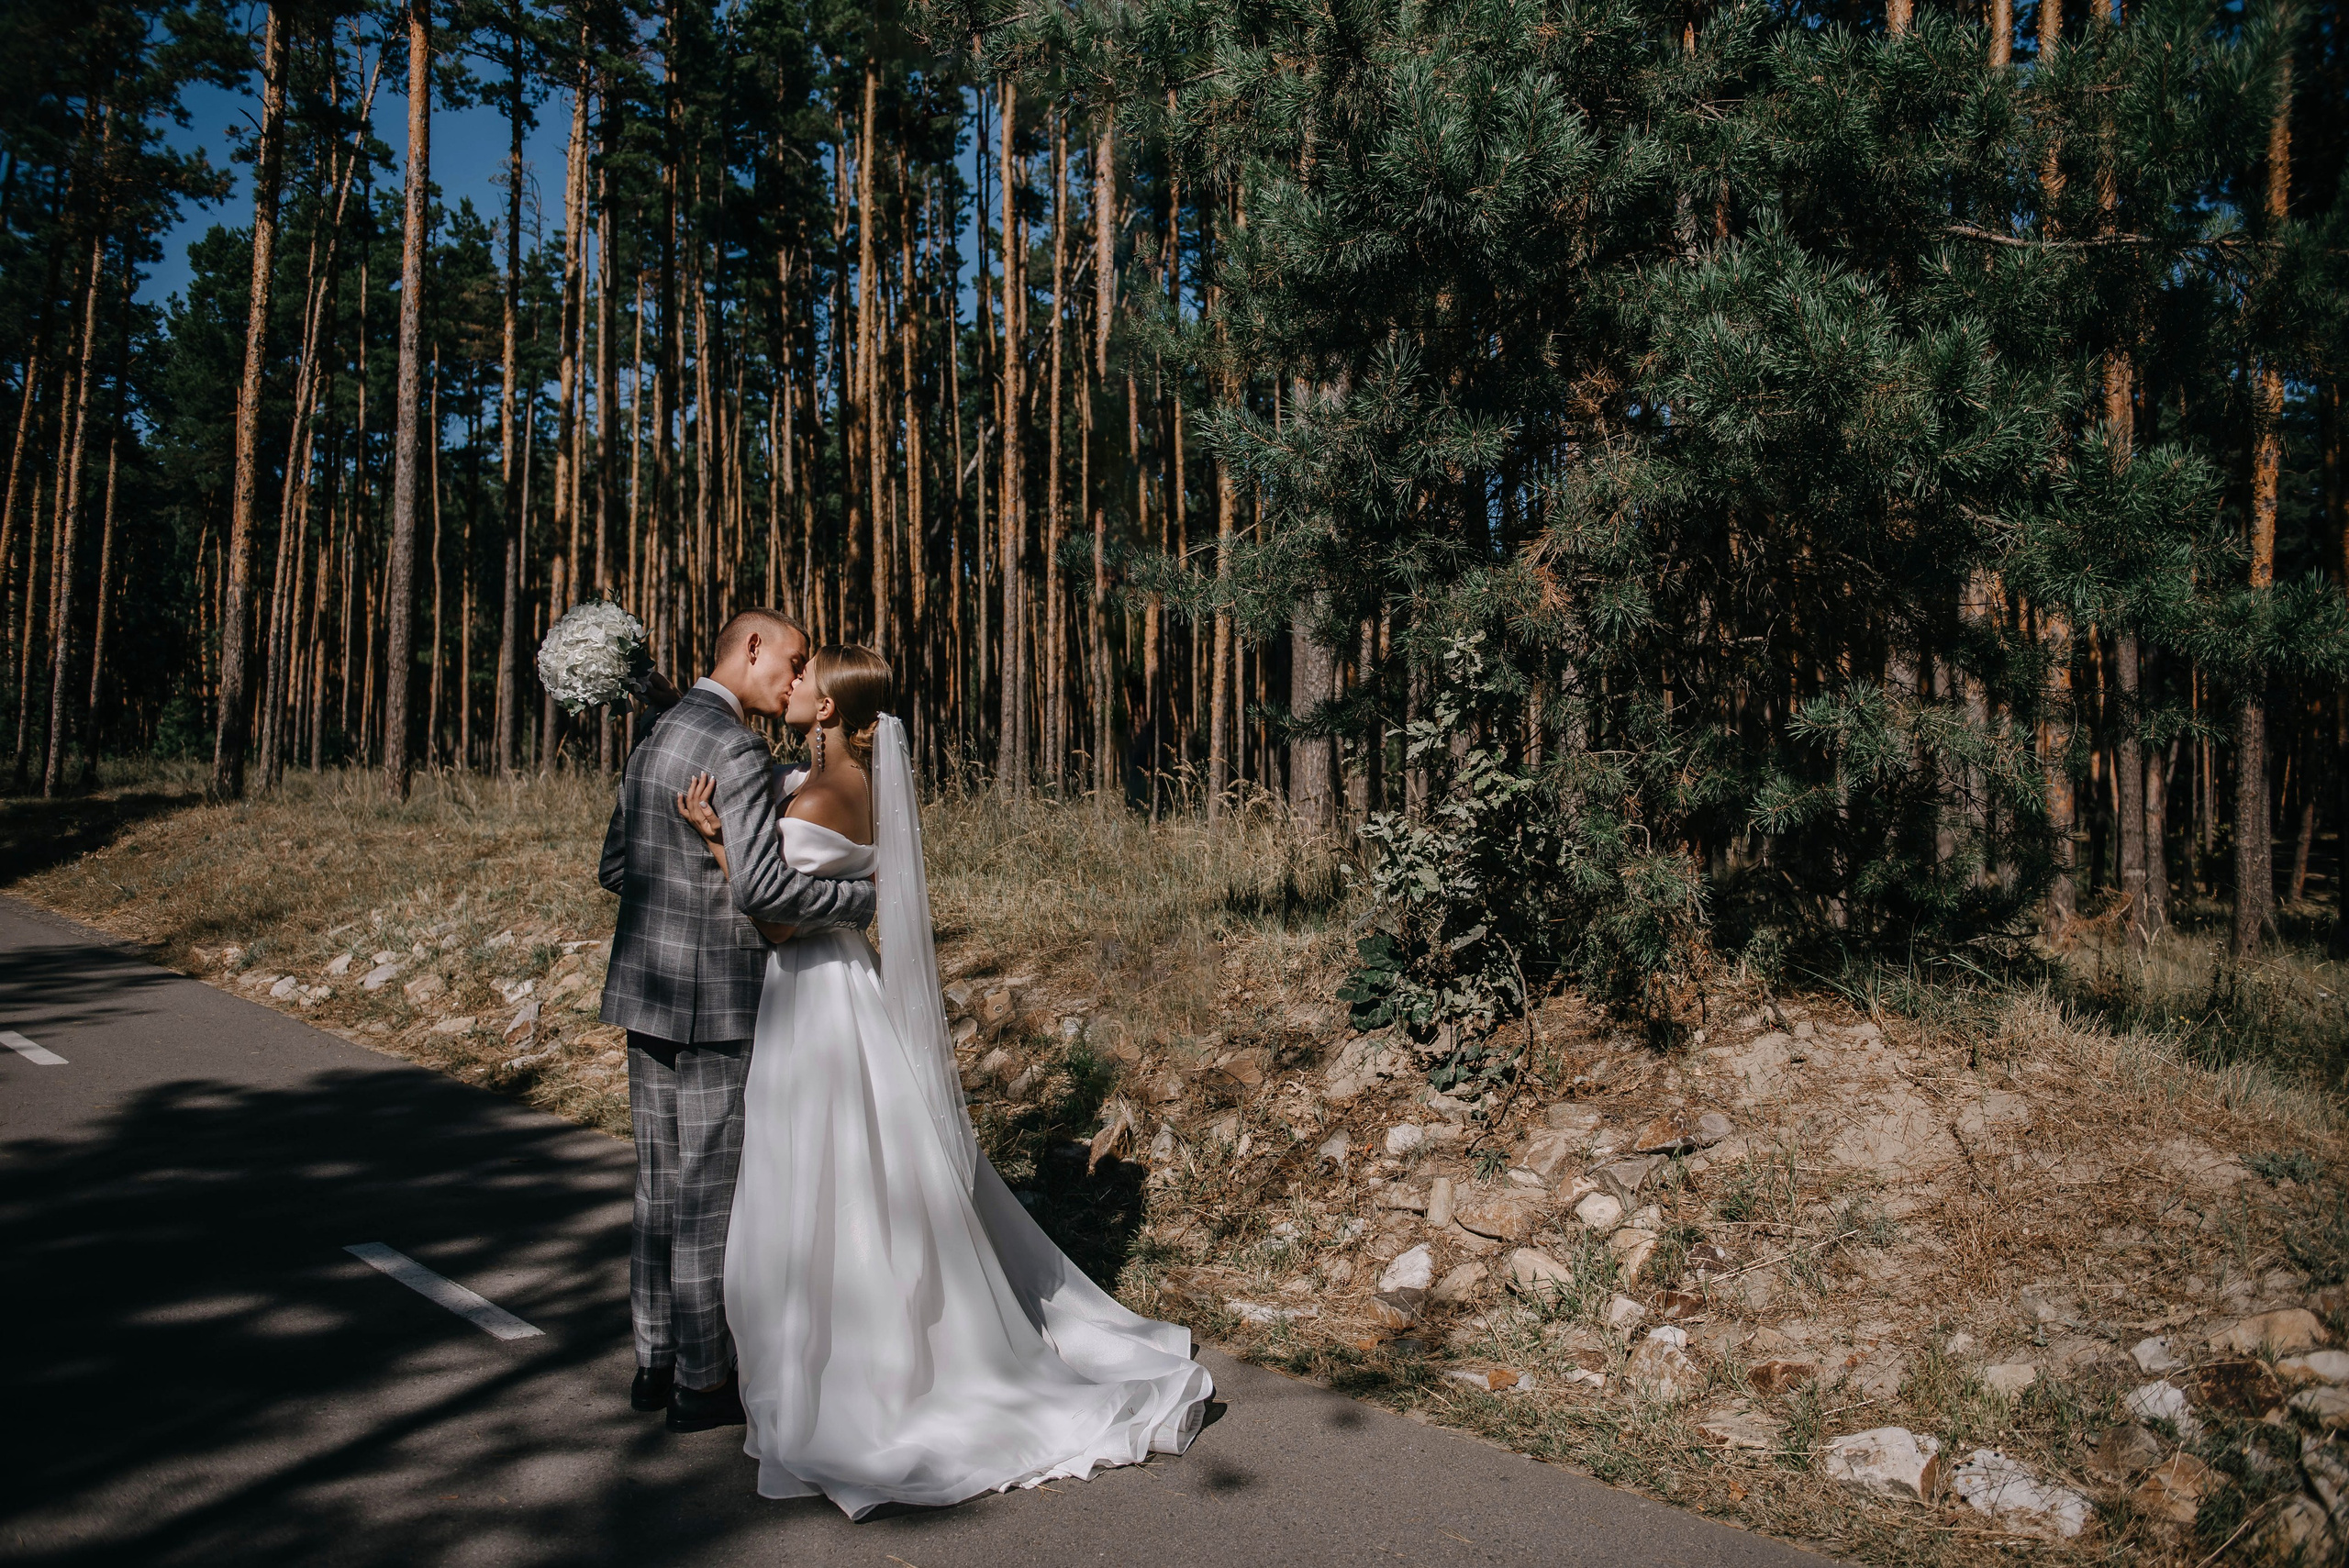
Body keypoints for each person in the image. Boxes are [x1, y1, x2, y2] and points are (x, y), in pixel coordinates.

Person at [674, 645, 1213, 1517]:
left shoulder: (815, 795)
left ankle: (852, 1369)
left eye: (808, 676)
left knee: (817, 1173)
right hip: (846, 988)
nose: (797, 679)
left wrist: (719, 842)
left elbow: (774, 922)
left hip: (812, 997)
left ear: (824, 711)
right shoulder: (856, 787)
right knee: (858, 1168)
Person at [596, 609, 876, 1432]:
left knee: (656, 1184)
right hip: (717, 996)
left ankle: (651, 1359)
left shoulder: (656, 735)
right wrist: (861, 899)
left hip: (644, 990)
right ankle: (702, 1378)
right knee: (707, 1193)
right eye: (790, 662)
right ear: (748, 648)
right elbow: (765, 891)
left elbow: (618, 864)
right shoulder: (738, 747)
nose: (795, 681)